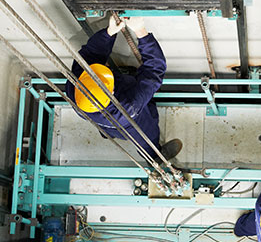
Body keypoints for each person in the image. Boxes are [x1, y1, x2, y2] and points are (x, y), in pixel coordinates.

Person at [65, 15, 182, 163]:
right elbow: (153, 72)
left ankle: (107, 132)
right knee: (147, 134)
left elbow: (90, 54)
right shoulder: (129, 107)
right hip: (127, 120)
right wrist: (141, 31)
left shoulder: (74, 85)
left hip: (99, 118)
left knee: (107, 126)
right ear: (112, 92)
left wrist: (109, 32)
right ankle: (154, 156)